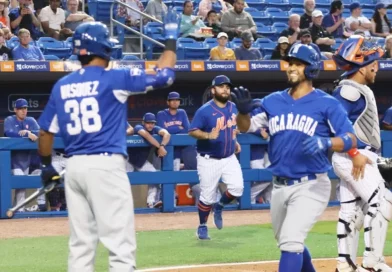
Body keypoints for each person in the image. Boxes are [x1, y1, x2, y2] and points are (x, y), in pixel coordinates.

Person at [36, 12, 178, 272]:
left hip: (74, 166)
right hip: (105, 166)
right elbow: (165, 75)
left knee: (81, 247)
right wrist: (170, 39)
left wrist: (47, 165)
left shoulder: (62, 85)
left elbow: (45, 133)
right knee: (120, 247)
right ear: (102, 47)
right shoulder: (114, 77)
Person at [232, 43, 368, 272]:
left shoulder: (327, 103)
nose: (291, 68)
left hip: (311, 184)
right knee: (287, 241)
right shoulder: (272, 101)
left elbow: (351, 139)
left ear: (311, 68)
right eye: (290, 63)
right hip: (280, 185)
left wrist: (326, 142)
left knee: (291, 242)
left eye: (298, 64)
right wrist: (242, 113)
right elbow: (246, 127)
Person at [332, 35, 392, 272]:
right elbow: (335, 124)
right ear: (363, 65)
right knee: (382, 202)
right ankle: (372, 262)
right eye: (373, 63)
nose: (376, 68)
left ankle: (345, 265)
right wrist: (356, 152)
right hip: (354, 156)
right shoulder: (350, 90)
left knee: (351, 211)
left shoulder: (354, 88)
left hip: (354, 156)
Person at [189, 75, 243, 240]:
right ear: (213, 90)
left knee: (237, 188)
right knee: (207, 196)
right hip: (208, 159)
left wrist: (235, 140)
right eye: (221, 86)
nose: (225, 89)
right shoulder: (204, 110)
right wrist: (207, 135)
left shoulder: (234, 107)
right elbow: (192, 131)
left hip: (228, 157)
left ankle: (219, 207)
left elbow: (234, 128)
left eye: (227, 87)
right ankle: (202, 226)